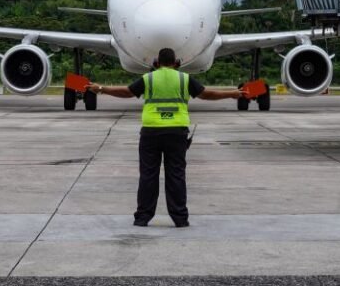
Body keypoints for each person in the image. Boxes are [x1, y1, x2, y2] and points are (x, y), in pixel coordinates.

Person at [86, 47, 247, 228]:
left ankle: (142, 218)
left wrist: (101, 88)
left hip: (151, 132)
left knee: (148, 176)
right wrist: (233, 93)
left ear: (156, 62)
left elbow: (126, 92)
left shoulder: (149, 78)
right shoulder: (184, 79)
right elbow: (206, 94)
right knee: (176, 175)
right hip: (177, 133)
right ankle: (180, 218)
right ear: (176, 63)